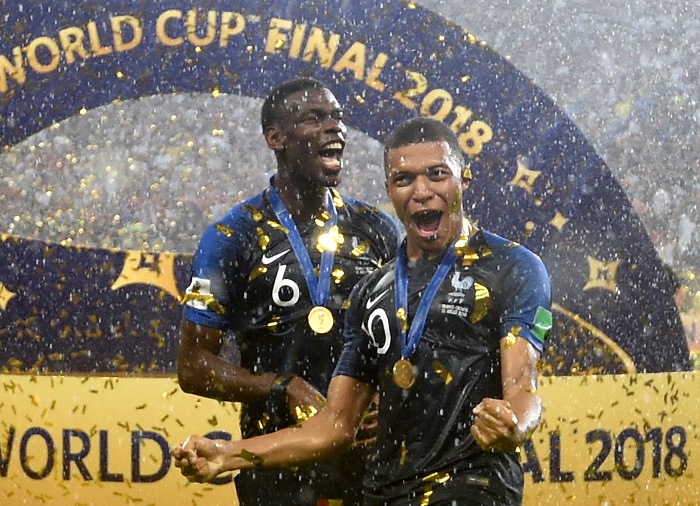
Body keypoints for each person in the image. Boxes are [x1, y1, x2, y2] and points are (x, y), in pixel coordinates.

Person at [173, 116, 552, 506]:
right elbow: (336, 425)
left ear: (463, 180)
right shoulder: (372, 291)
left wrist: (515, 425)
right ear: (389, 189)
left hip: (471, 488)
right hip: (382, 492)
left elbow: (524, 389)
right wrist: (228, 454)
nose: (421, 191)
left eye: (437, 174)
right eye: (404, 179)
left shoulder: (514, 268)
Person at [177, 77, 400, 505]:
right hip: (275, 467)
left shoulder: (377, 230)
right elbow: (193, 367)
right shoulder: (231, 236)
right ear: (275, 138)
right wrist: (281, 386)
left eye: (337, 118)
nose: (333, 128)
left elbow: (410, 337)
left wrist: (387, 398)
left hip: (371, 463)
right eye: (313, 119)